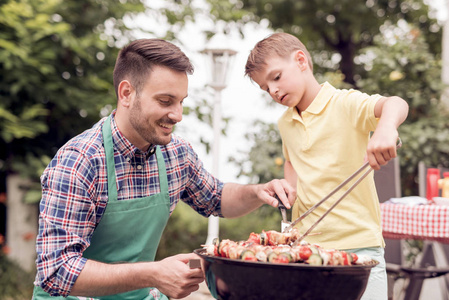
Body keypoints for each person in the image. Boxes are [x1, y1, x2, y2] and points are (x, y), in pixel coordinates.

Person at [33, 38, 296, 300]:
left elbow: (216, 198)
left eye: (181, 101)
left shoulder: (175, 154)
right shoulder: (80, 161)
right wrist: (154, 274)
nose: (178, 114)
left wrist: (259, 192)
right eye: (165, 101)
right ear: (126, 94)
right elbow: (56, 271)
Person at [245, 32, 409, 300]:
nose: (273, 90)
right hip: (308, 251)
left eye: (275, 77)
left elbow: (395, 103)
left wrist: (386, 127)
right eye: (265, 88)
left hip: (359, 250)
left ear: (301, 61)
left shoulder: (345, 103)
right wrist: (289, 190)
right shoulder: (285, 122)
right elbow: (292, 160)